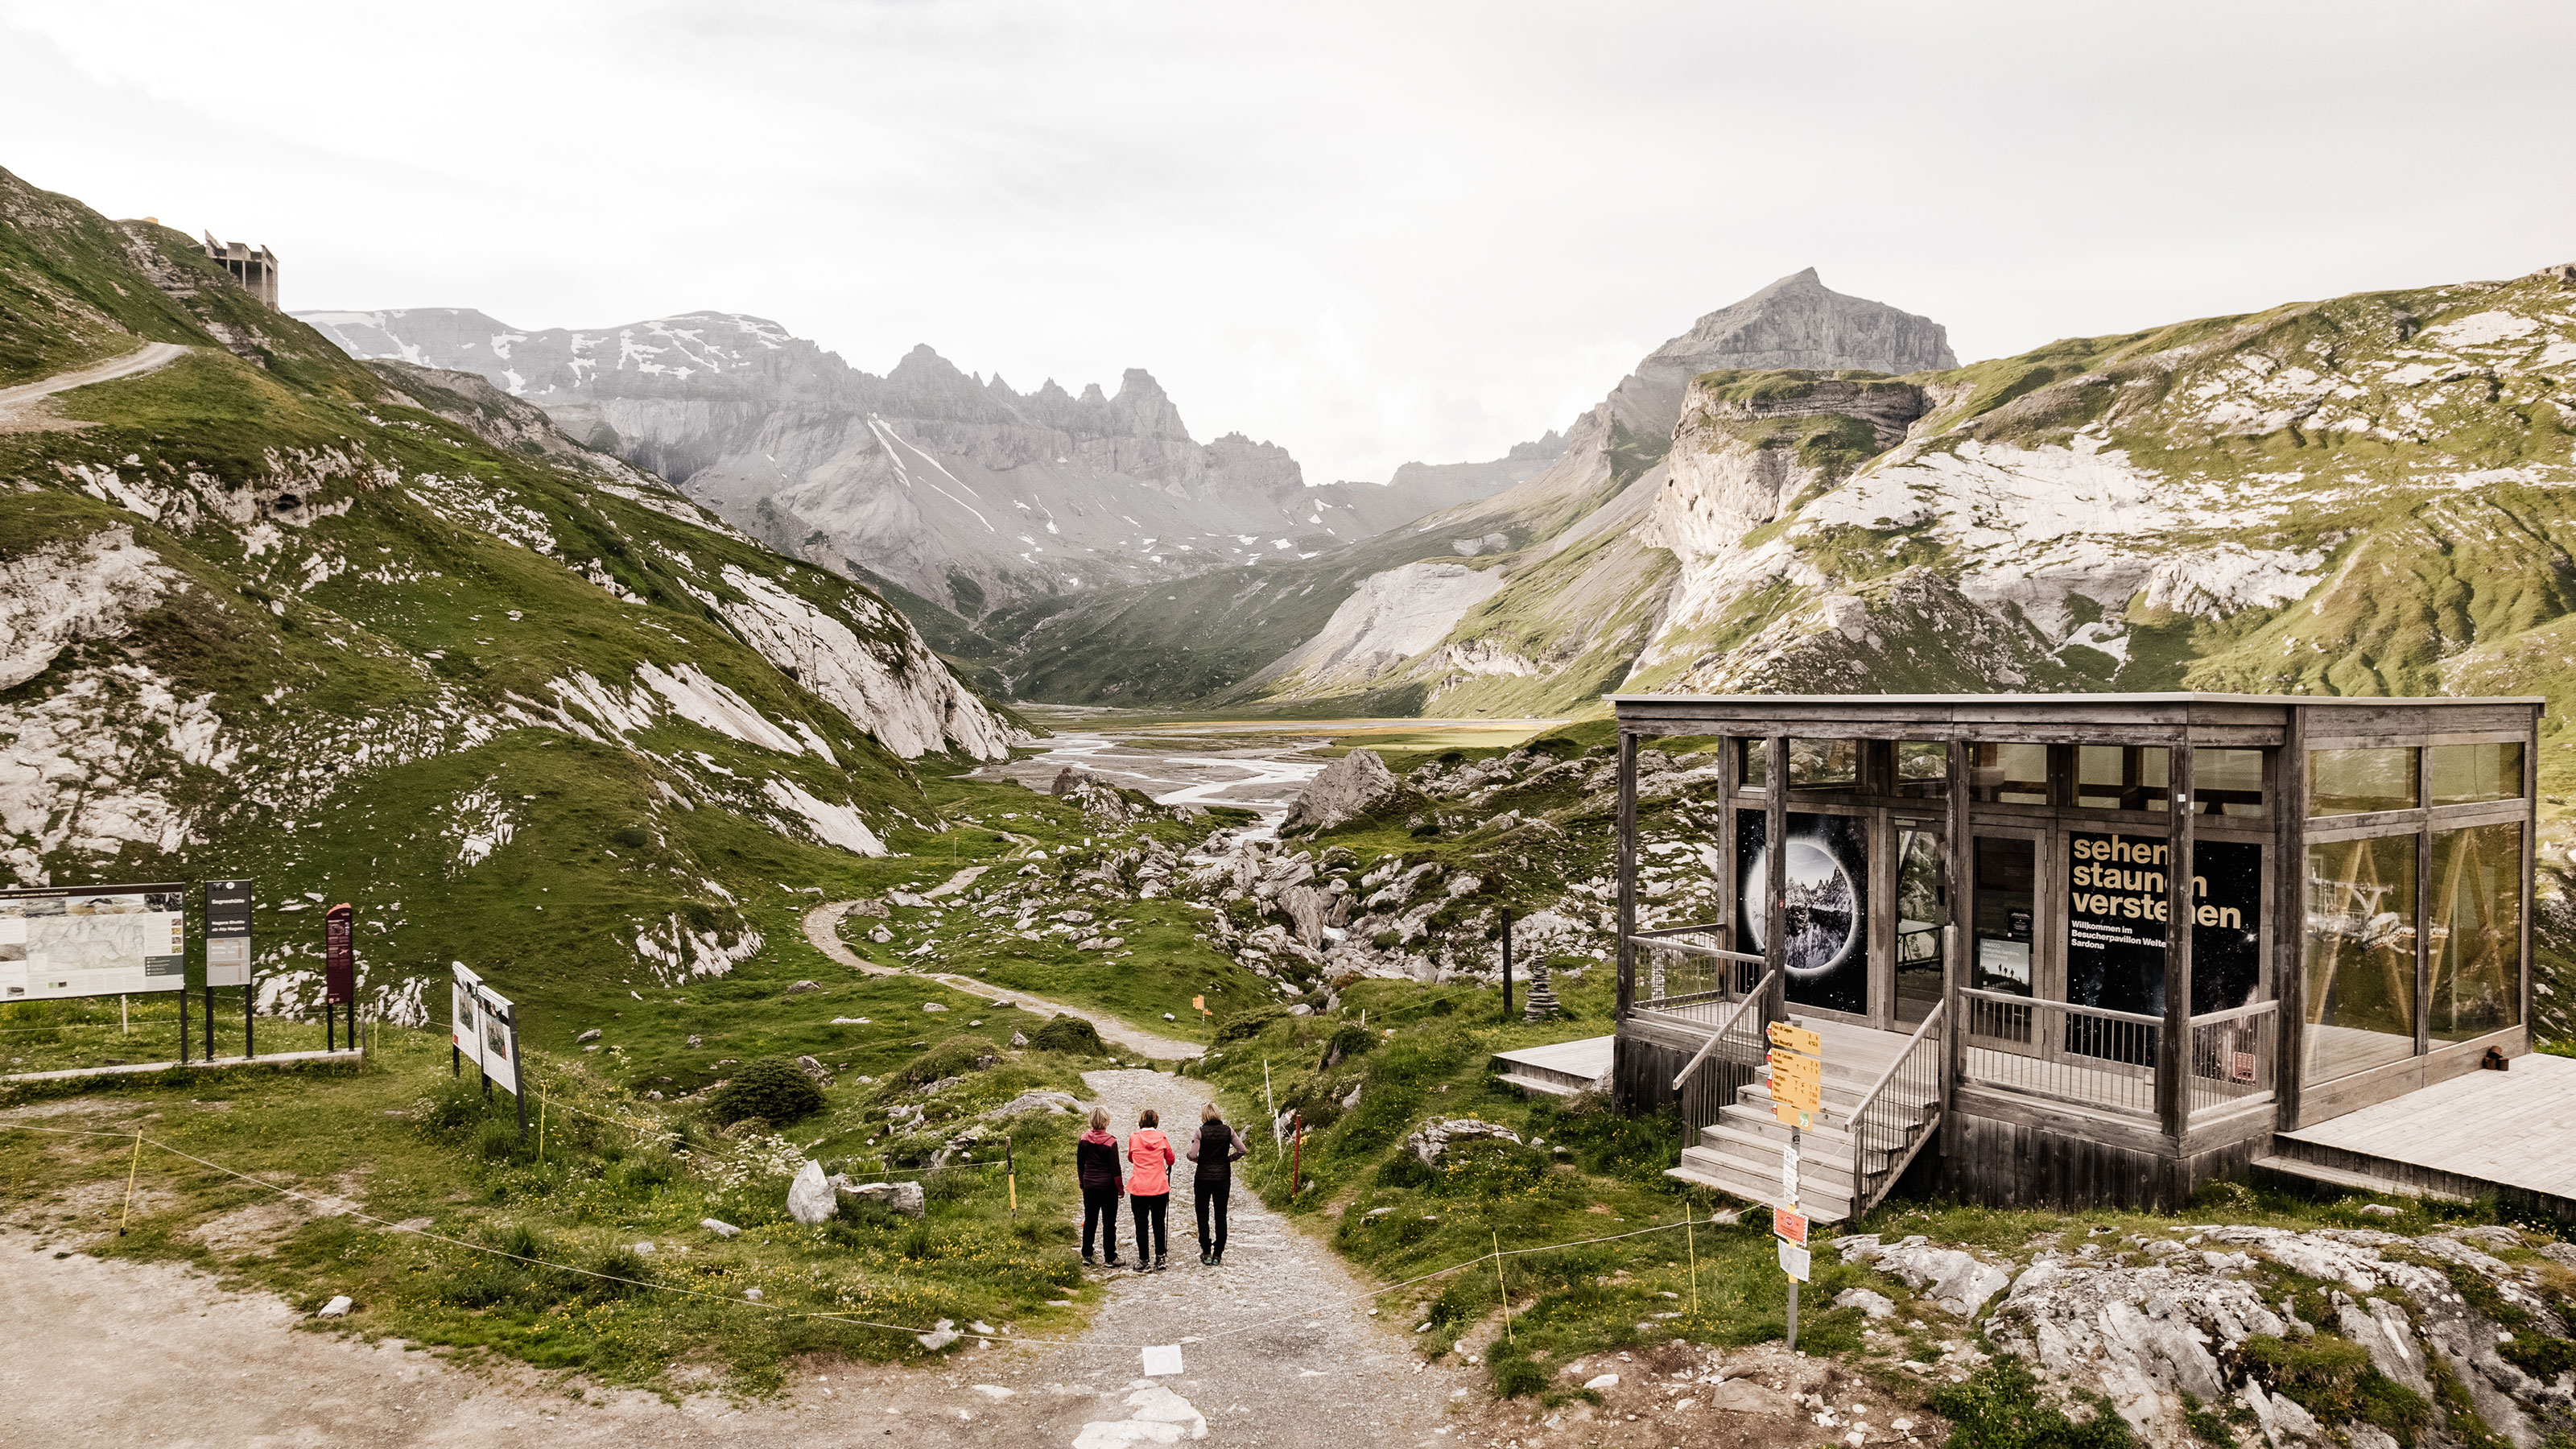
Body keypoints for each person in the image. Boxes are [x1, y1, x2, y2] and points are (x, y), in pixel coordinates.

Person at [1186, 1100, 1249, 1266]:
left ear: (1204, 1116)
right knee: (1220, 1214)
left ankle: (1206, 1251)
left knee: (1202, 1213)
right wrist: (1228, 1159)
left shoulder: (1200, 1132)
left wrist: (1198, 1159)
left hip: (1203, 1178)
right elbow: (1242, 1150)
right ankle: (1218, 1254)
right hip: (1222, 1178)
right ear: (1218, 1114)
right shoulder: (1228, 1131)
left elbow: (1192, 1155)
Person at [1125, 1107, 1175, 1272]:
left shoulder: (1134, 1137)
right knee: (1159, 1223)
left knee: (1141, 1225)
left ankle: (1144, 1260)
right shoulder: (1161, 1137)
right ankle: (1160, 1258)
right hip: (1159, 1187)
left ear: (1141, 1122)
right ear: (1156, 1122)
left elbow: (1130, 1157)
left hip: (1139, 1187)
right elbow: (1171, 1159)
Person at [1075, 1107, 1125, 1267]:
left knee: (1090, 1220)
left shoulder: (1084, 1139)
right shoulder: (1111, 1142)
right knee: (1109, 1222)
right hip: (1108, 1187)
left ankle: (1087, 1254)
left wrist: (1082, 1182)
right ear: (1106, 1121)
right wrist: (1120, 1188)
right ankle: (1110, 1257)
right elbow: (1115, 1169)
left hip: (1090, 1184)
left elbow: (1080, 1165)